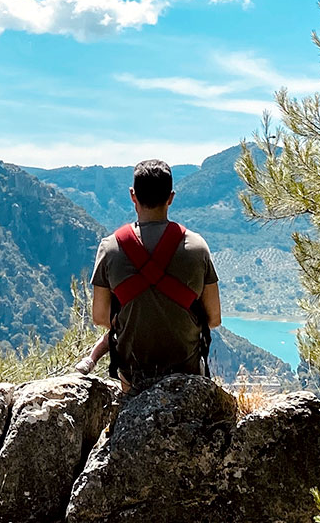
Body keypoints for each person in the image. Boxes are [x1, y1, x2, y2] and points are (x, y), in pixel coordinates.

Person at [75, 159, 222, 388]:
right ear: (171, 197)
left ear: (133, 195)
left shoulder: (110, 247)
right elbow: (214, 318)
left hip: (133, 377)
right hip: (187, 377)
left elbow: (100, 317)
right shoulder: (197, 247)